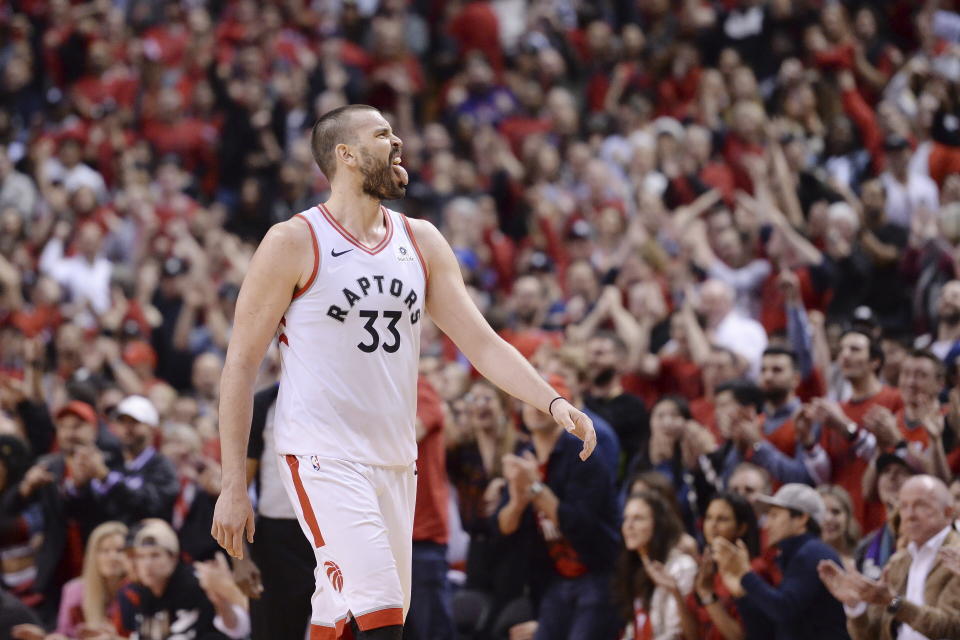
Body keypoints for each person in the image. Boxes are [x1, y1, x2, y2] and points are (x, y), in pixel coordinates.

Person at [211, 104, 597, 640]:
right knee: (383, 609)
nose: (398, 144)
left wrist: (553, 402)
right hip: (323, 454)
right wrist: (233, 484)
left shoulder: (421, 239)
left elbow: (482, 344)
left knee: (341, 615)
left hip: (395, 460)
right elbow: (240, 365)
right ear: (345, 155)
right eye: (383, 135)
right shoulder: (294, 241)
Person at [496, 389, 619, 640]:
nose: (536, 408)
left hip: (596, 574)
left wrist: (535, 488)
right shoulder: (524, 457)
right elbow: (503, 527)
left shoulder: (584, 454)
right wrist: (518, 502)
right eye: (531, 401)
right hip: (552, 579)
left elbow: (579, 525)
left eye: (545, 403)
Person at [819, 475, 960, 640]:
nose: (910, 514)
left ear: (948, 512)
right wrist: (855, 606)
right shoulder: (898, 562)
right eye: (904, 506)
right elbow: (870, 636)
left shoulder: (956, 557)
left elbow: (951, 628)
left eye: (921, 505)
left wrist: (894, 602)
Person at [714, 483, 852, 640]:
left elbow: (783, 609)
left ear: (801, 518)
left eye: (774, 516)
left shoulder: (813, 553)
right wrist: (742, 594)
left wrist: (746, 575)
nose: (767, 525)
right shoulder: (796, 555)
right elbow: (766, 632)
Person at [117, 519, 250, 639]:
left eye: (155, 555)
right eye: (141, 557)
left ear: (173, 558)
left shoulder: (194, 583)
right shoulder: (142, 590)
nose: (147, 564)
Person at [613, 490, 697, 640]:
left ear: (658, 524)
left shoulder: (682, 566)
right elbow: (634, 629)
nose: (628, 526)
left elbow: (677, 634)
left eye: (638, 518)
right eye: (626, 518)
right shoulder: (636, 566)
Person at [818, 486, 861, 567]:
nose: (828, 519)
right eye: (822, 512)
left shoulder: (862, 556)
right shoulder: (801, 559)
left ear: (848, 517)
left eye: (836, 512)